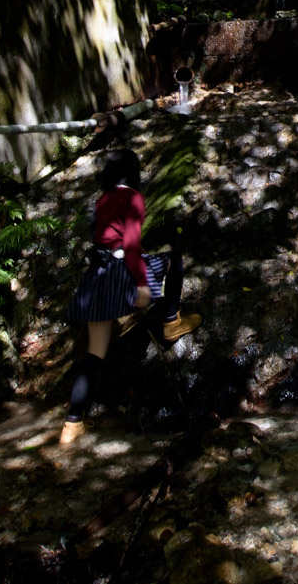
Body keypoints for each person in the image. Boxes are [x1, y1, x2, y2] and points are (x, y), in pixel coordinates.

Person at [59, 148, 200, 444]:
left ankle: (72, 425)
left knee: (94, 353)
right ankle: (172, 320)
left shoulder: (103, 198)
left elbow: (109, 240)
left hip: (97, 274)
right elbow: (132, 245)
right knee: (174, 260)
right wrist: (141, 284)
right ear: (133, 173)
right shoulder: (132, 197)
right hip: (122, 272)